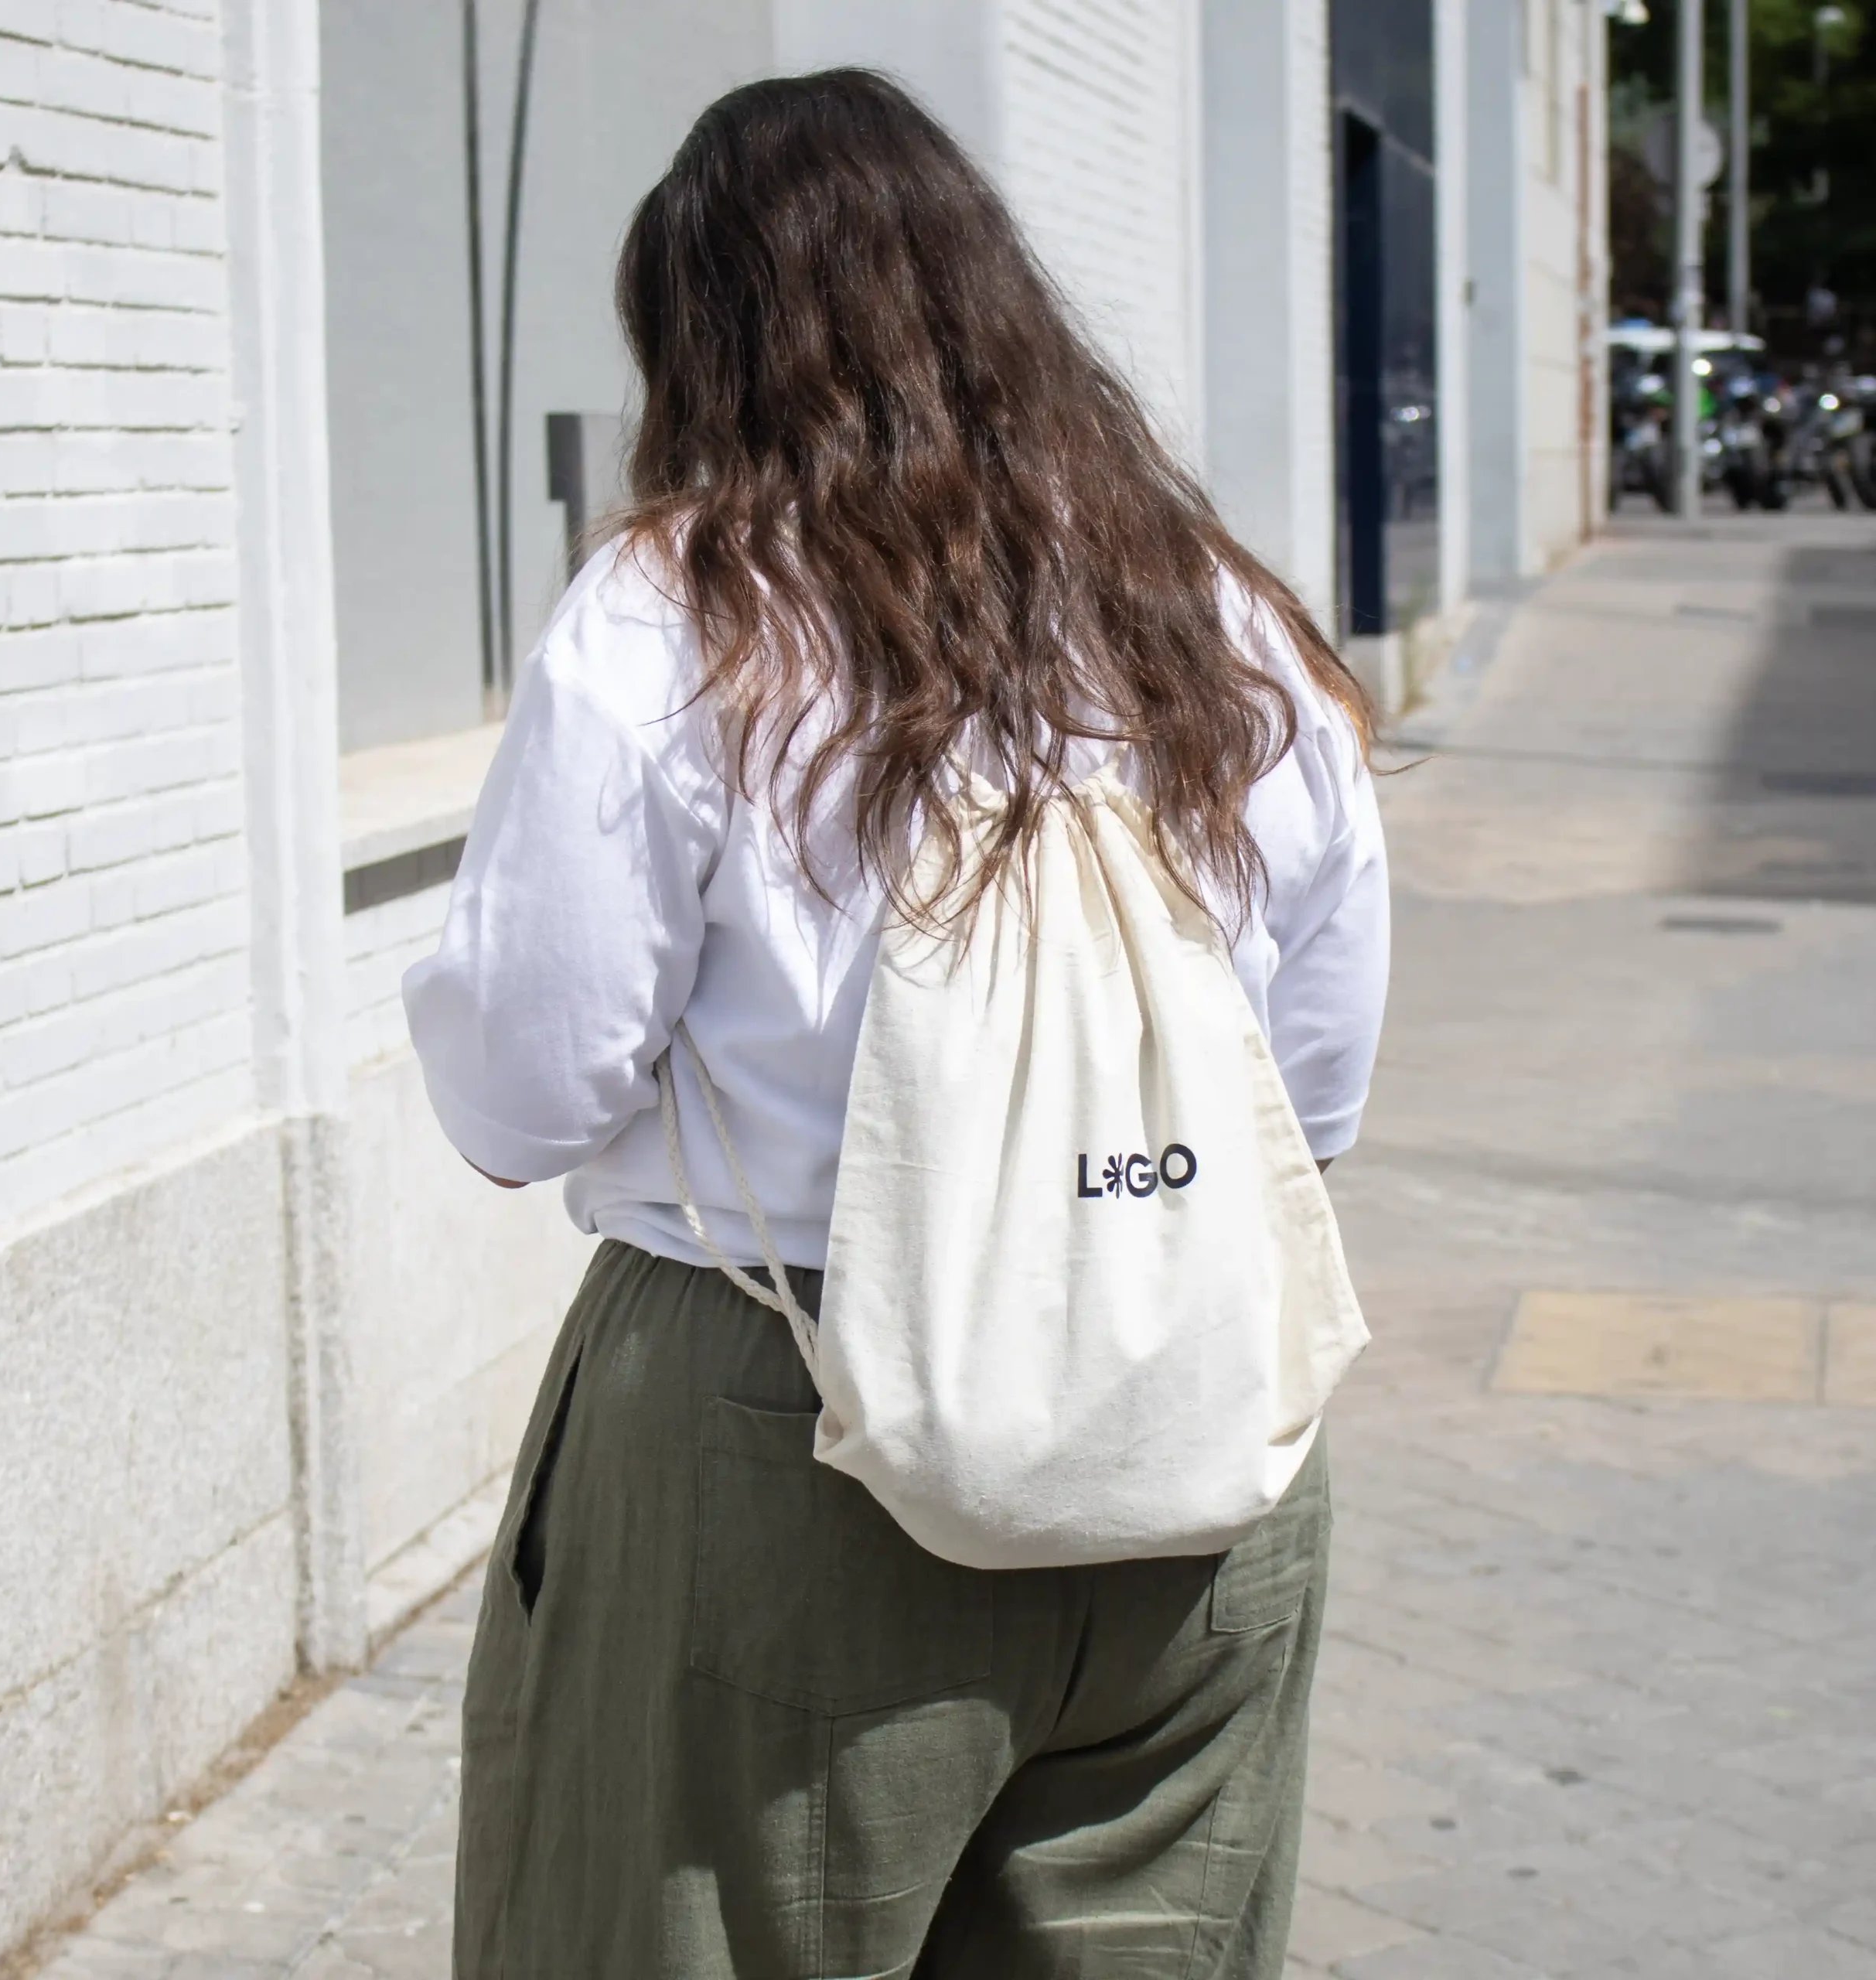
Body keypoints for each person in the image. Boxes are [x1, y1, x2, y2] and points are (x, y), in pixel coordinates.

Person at [404, 68, 1387, 1980]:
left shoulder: (677, 616)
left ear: (704, 339)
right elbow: (1316, 1089)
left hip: (783, 1425)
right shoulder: (1226, 618)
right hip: (1190, 1410)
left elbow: (527, 1086)